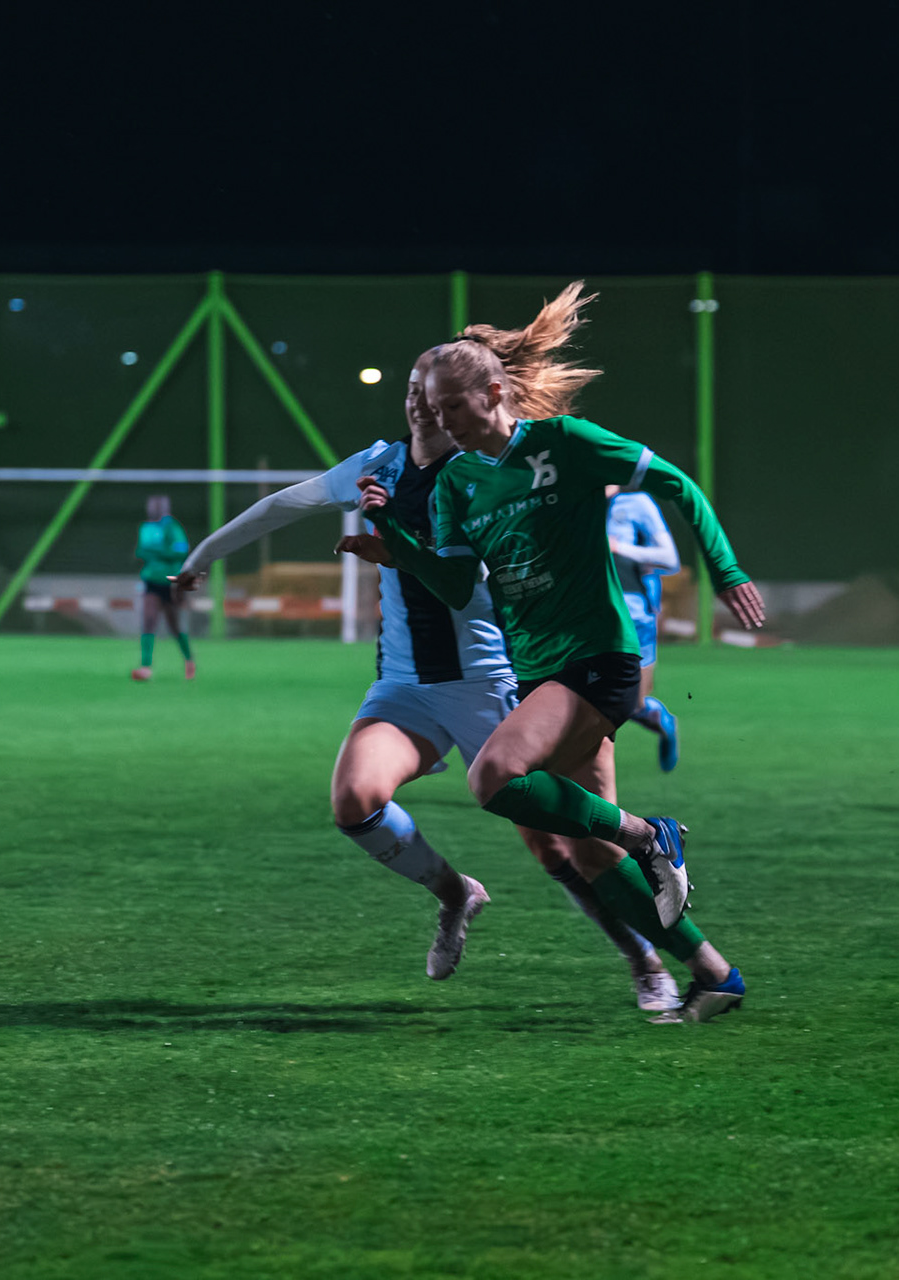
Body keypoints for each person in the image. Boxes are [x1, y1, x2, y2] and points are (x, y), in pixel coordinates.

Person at [173, 353, 679, 1010]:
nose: (418, 402)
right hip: (406, 686)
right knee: (354, 799)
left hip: (491, 681)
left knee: (559, 845)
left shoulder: (491, 474)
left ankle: (644, 961)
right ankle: (454, 894)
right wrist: (200, 557)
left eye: (428, 393)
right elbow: (279, 507)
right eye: (411, 390)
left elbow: (500, 573)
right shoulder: (374, 467)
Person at [350, 283, 768, 1025]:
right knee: (590, 853)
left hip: (598, 658)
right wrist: (397, 547)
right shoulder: (455, 483)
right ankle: (713, 972)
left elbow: (678, 484)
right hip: (537, 668)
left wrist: (728, 570)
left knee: (495, 778)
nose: (439, 418)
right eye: (432, 407)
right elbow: (452, 584)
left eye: (452, 404)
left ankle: (653, 834)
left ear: (496, 391)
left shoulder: (564, 444)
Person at [606, 484, 681, 770]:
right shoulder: (571, 500)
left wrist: (619, 548)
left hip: (635, 614)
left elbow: (670, 560)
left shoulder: (636, 503)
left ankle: (662, 720)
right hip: (590, 616)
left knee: (631, 706)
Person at [133, 495, 193, 682]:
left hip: (170, 582)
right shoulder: (146, 528)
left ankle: (189, 660)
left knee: (174, 626)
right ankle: (145, 666)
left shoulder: (172, 528)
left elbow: (181, 550)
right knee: (149, 620)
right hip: (151, 581)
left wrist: (157, 553)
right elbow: (140, 551)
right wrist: (154, 554)